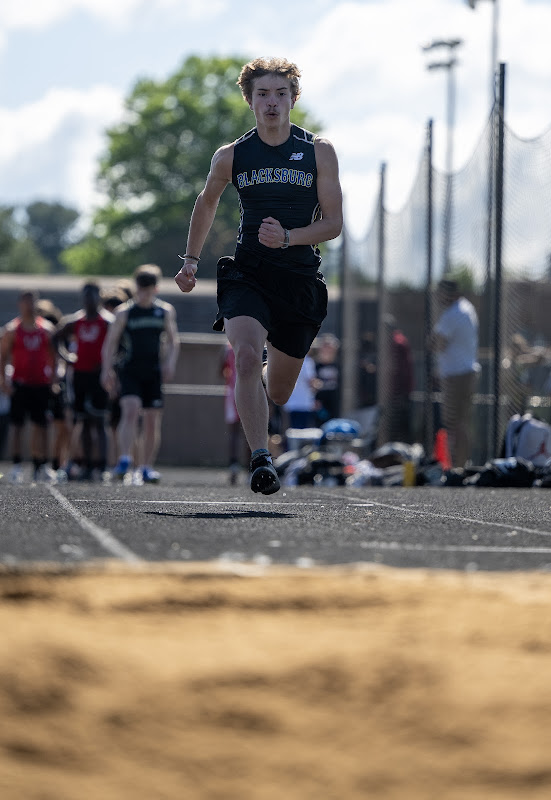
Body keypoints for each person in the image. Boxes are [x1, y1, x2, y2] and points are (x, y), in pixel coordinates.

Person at [175, 56, 343, 495]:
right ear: (249, 99)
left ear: (294, 98)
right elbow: (207, 202)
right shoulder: (232, 155)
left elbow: (333, 224)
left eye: (280, 94)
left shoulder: (317, 151)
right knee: (246, 358)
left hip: (299, 279)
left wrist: (289, 237)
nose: (272, 103)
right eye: (263, 94)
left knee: (282, 392)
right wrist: (191, 260)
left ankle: (268, 376)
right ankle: (261, 458)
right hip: (248, 273)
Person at [101, 264, 179, 484]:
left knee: (152, 420)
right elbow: (110, 344)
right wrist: (107, 369)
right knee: (130, 410)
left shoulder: (164, 311)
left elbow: (174, 342)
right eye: (141, 288)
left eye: (148, 288)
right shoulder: (124, 312)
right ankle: (125, 458)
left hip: (153, 371)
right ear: (136, 287)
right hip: (130, 370)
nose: (144, 292)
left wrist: (170, 363)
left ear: (155, 288)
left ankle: (146, 467)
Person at [54, 283, 114, 480]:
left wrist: (110, 365)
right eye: (86, 296)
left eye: (93, 296)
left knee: (99, 420)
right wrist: (66, 356)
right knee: (84, 420)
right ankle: (87, 464)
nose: (90, 300)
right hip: (80, 375)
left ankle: (102, 465)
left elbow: (122, 345)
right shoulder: (75, 321)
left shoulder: (107, 322)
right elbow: (56, 338)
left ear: (100, 297)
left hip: (99, 376)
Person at [0, 291, 56, 482]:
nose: (29, 306)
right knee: (17, 425)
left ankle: (41, 464)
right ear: (19, 304)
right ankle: (16, 465)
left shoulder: (46, 329)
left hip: (40, 383)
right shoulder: (12, 330)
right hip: (20, 383)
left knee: (41, 425)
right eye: (25, 302)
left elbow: (53, 358)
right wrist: (3, 380)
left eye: (32, 302)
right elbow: (2, 356)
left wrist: (54, 380)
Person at [431, 279, 480, 468]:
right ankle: (459, 465)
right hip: (463, 373)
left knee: (454, 423)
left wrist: (433, 341)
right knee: (460, 423)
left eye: (440, 292)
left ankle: (456, 467)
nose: (438, 297)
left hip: (457, 376)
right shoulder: (465, 307)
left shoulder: (453, 313)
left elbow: (438, 343)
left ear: (448, 293)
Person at [283, 350, 318, 429]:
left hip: (290, 404)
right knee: (301, 435)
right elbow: (312, 382)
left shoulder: (289, 360)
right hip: (303, 404)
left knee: (291, 432)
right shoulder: (307, 361)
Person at [314, 333, 341, 425]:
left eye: (330, 348)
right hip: (319, 405)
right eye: (325, 347)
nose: (327, 350)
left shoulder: (339, 366)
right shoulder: (314, 366)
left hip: (335, 403)